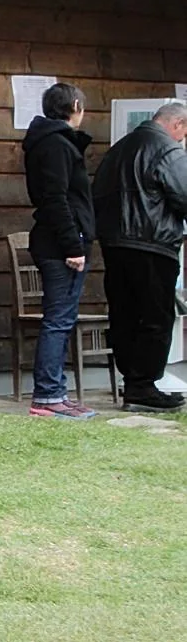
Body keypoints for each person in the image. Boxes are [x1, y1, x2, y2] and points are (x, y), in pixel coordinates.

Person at [92, 101, 187, 413]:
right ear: (178, 125)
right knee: (156, 316)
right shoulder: (167, 149)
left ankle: (133, 383)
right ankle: (143, 386)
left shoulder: (118, 150)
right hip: (153, 242)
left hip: (115, 244)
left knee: (125, 314)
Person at [21, 82, 98, 418]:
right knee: (58, 320)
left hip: (58, 240)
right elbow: (56, 199)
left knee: (61, 319)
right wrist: (73, 244)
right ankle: (49, 394)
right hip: (61, 244)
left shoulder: (53, 142)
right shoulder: (56, 145)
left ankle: (54, 392)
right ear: (76, 105)